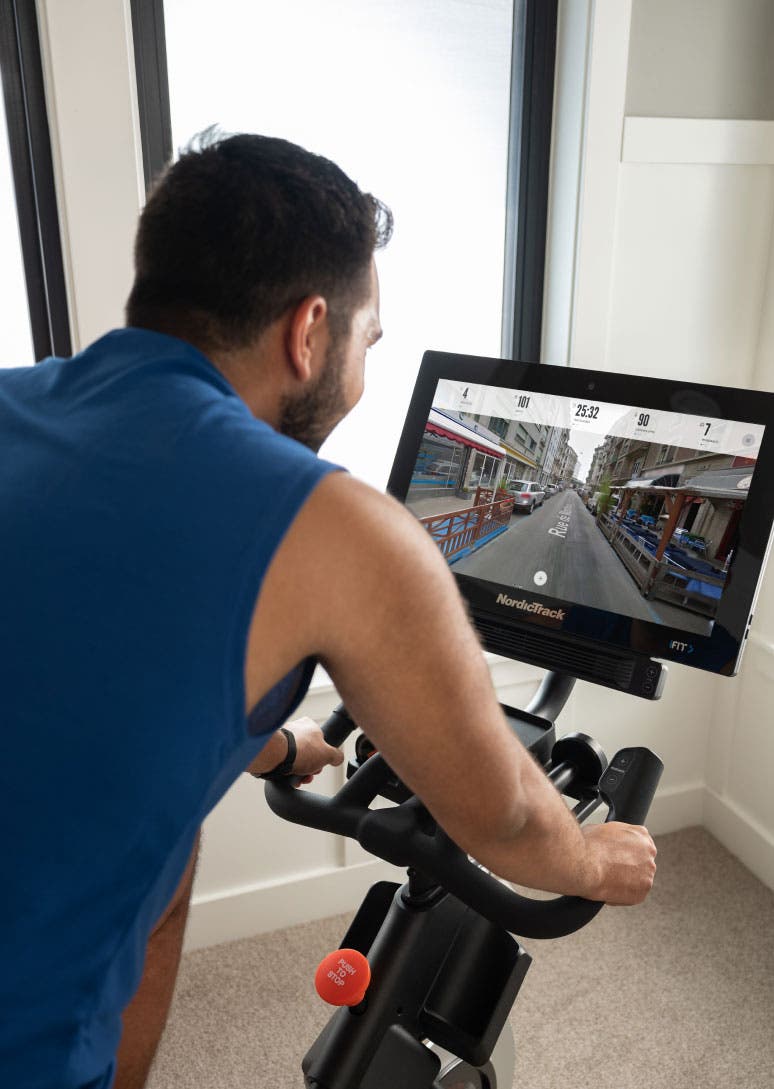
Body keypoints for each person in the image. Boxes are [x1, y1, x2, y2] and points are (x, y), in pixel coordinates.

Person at [0, 131, 657, 1089]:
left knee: (170, 842)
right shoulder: (333, 524)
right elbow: (506, 812)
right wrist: (595, 861)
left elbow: (93, 667)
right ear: (309, 334)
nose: (360, 373)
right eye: (366, 342)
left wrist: (278, 745)